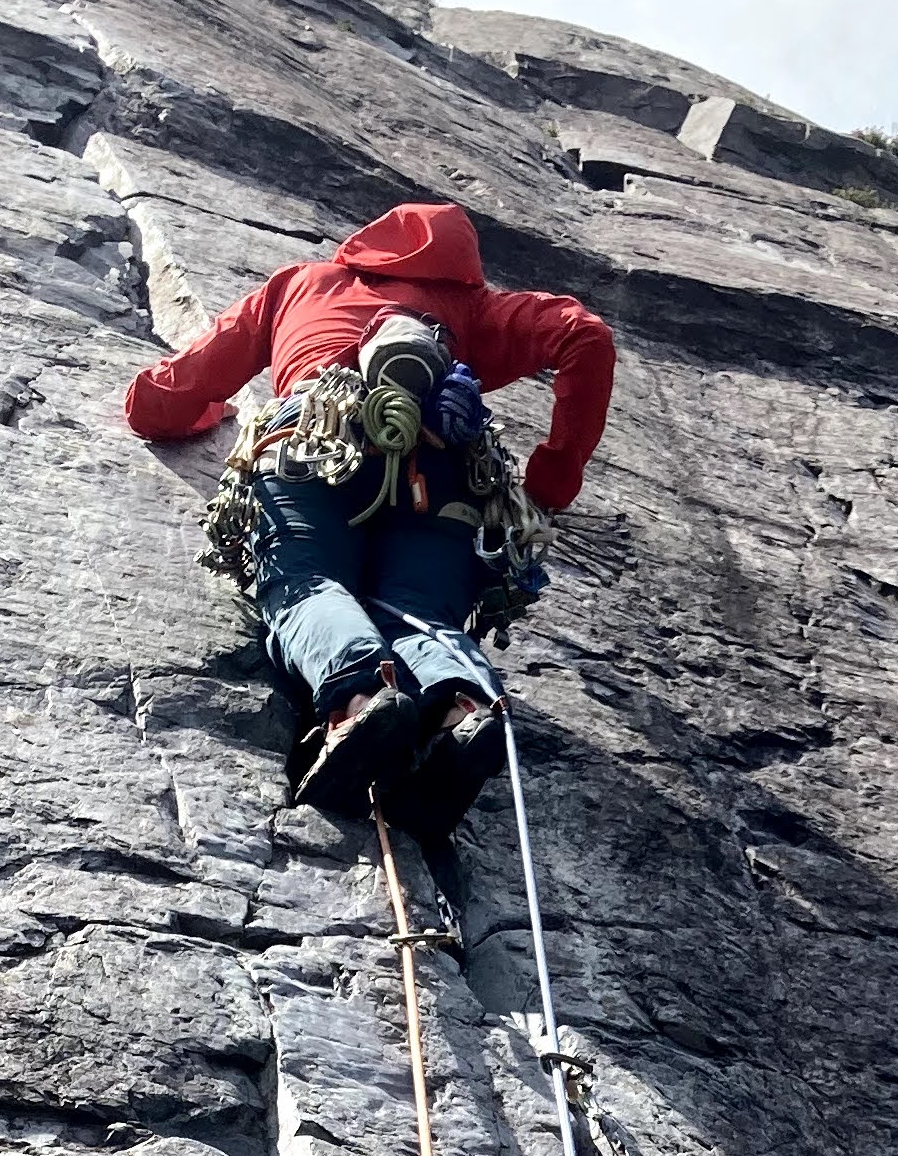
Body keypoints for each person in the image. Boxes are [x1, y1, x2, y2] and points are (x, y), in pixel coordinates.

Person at [121, 201, 614, 841]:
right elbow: (586, 337)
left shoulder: (302, 284)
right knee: (420, 611)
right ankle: (460, 709)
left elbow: (167, 395)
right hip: (442, 474)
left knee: (305, 581)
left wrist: (192, 414)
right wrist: (552, 480)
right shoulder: (477, 309)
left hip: (315, 442)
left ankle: (360, 702)